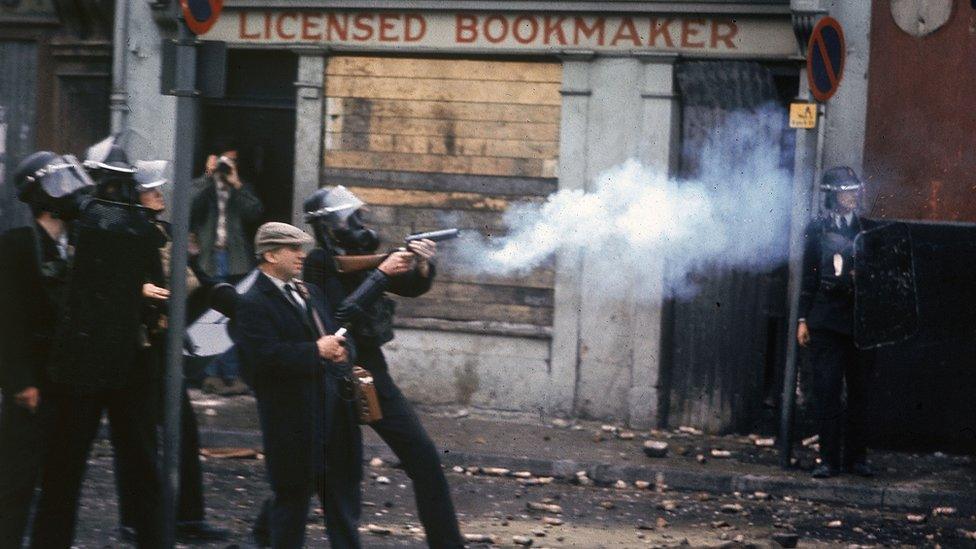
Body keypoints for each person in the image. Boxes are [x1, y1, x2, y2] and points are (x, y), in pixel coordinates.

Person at [303, 186, 465, 548]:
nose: (358, 223)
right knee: (323, 472)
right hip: (334, 374)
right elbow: (342, 316)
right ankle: (266, 534)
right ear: (327, 226)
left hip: (371, 371)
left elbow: (411, 286)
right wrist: (381, 272)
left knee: (423, 458)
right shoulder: (316, 263)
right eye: (348, 217)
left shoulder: (364, 256)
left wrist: (422, 264)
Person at [28, 142, 165, 548]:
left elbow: (152, 294)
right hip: (91, 361)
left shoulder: (129, 227)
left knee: (130, 464)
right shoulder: (86, 229)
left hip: (116, 359)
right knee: (69, 468)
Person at [112, 166, 230, 542]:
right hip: (137, 349)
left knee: (183, 432)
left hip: (167, 348)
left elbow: (195, 277)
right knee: (139, 438)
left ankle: (188, 517)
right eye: (149, 189)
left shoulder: (167, 231)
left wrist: (226, 298)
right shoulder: (123, 232)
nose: (159, 193)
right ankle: (137, 518)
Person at [234, 222, 362, 548]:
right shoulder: (251, 302)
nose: (301, 255)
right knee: (291, 504)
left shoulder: (310, 292)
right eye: (293, 249)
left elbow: (337, 336)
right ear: (270, 254)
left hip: (333, 416)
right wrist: (316, 351)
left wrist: (343, 352)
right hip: (291, 420)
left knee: (343, 505)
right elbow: (261, 361)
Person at [0, 151, 92, 547]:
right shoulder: (17, 246)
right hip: (35, 386)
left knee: (64, 484)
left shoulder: (76, 248)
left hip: (71, 385)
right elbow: (8, 321)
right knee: (17, 482)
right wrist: (20, 381)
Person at [797, 166, 876, 479]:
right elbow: (808, 275)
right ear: (832, 195)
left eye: (854, 190)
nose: (852, 196)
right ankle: (829, 460)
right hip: (827, 320)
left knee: (860, 391)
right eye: (845, 191)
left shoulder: (867, 230)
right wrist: (804, 318)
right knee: (828, 390)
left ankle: (857, 459)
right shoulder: (816, 230)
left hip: (860, 323)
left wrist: (865, 278)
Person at [190, 141, 261, 395]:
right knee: (209, 318)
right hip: (209, 259)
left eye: (233, 160)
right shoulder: (202, 186)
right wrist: (207, 178)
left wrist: (237, 184)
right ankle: (211, 375)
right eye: (224, 159)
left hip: (235, 260)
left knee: (232, 317)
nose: (227, 164)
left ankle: (231, 375)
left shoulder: (240, 187)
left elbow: (254, 212)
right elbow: (188, 209)